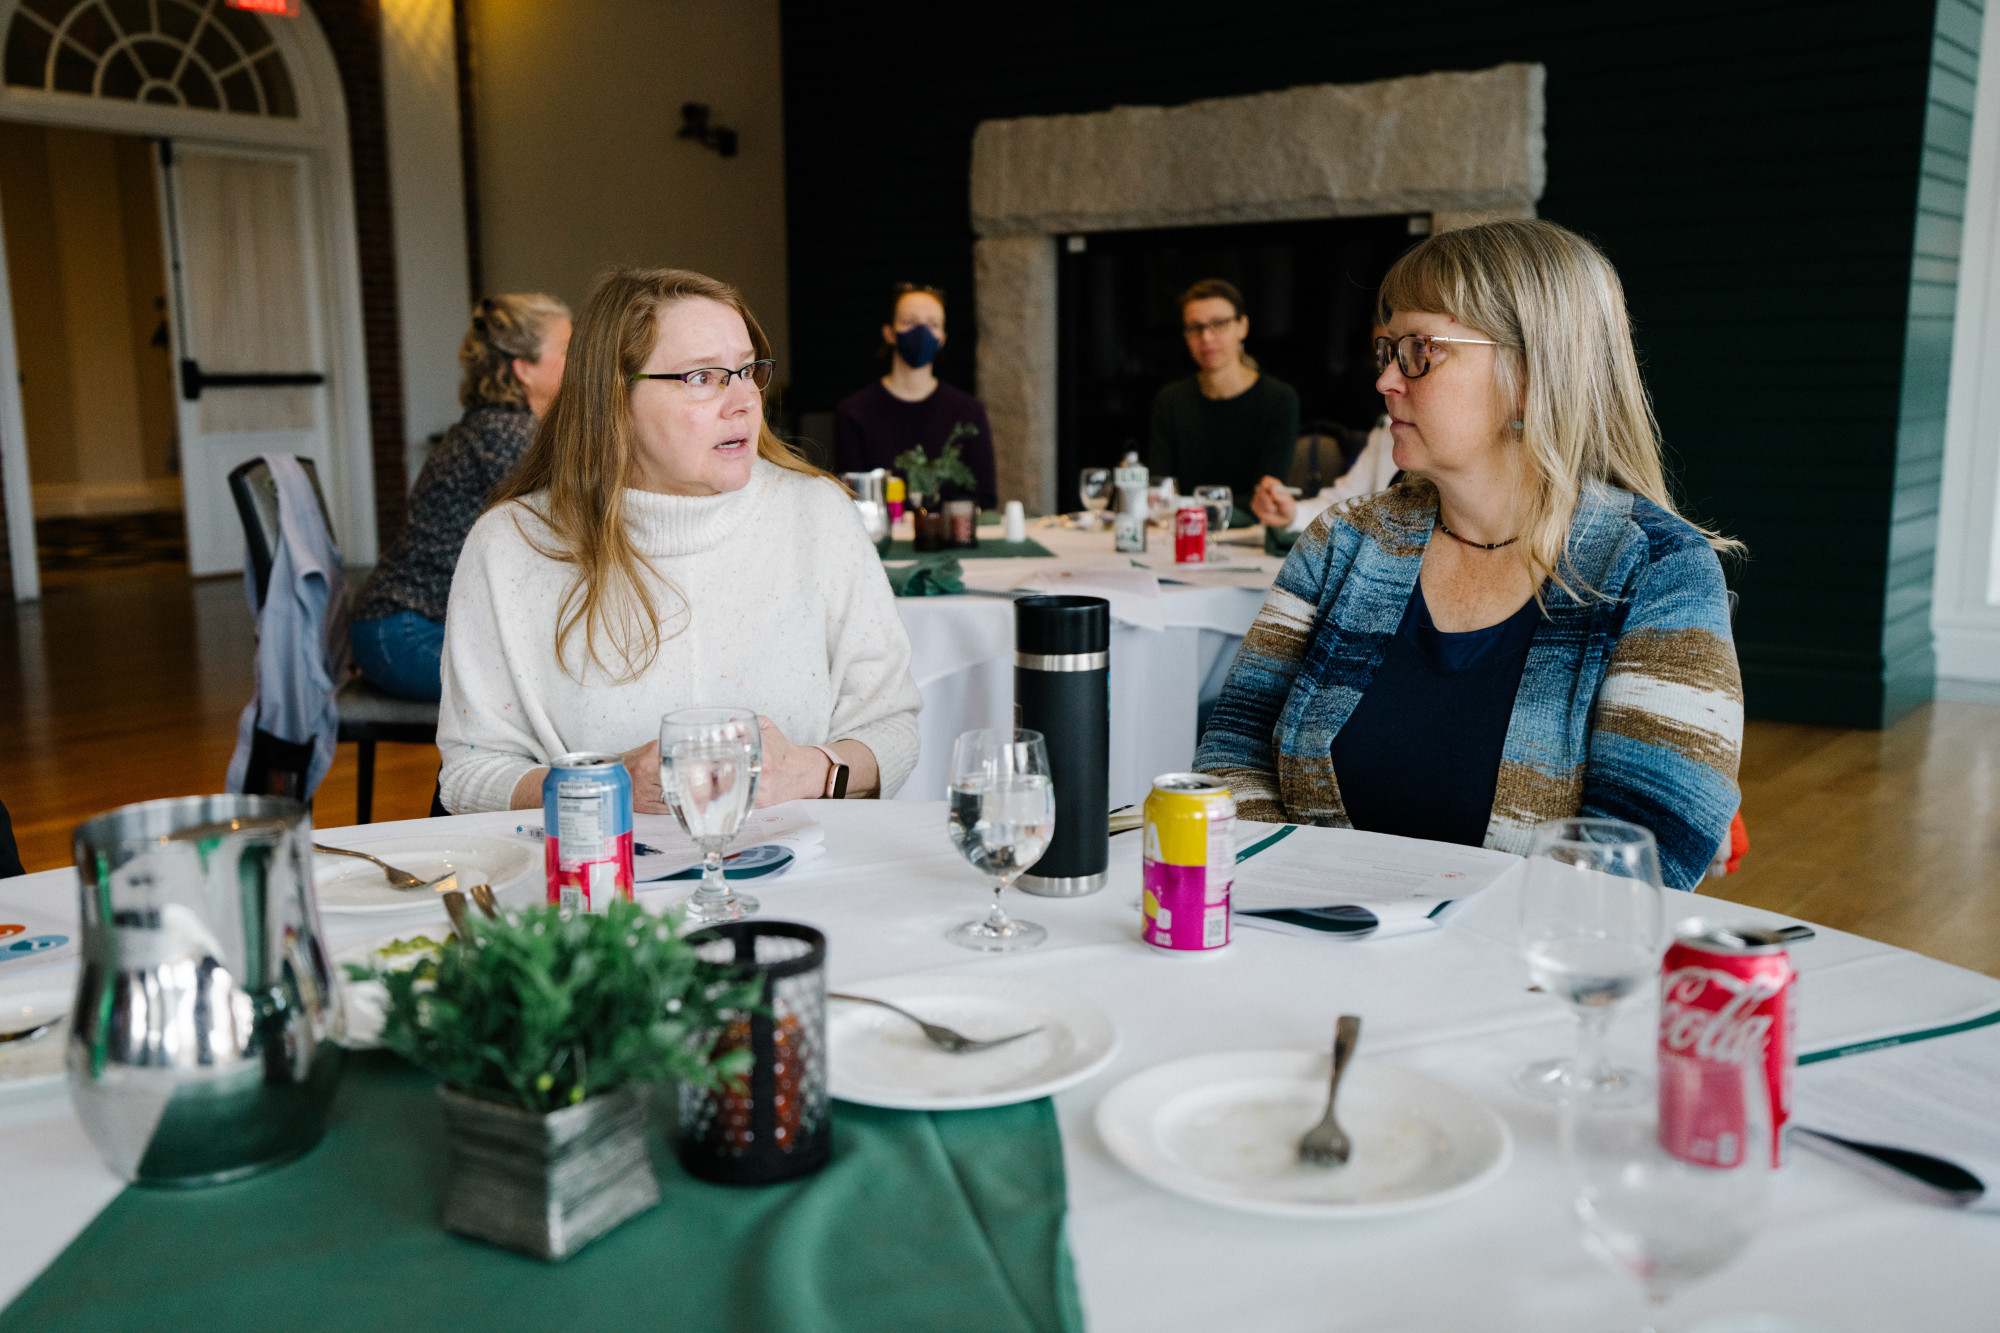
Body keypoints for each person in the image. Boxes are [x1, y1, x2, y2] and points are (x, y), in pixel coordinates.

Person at [1195, 220, 1742, 891]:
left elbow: (1641, 862)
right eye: (1387, 349)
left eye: (1421, 350)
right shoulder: (1344, 540)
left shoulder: (1660, 570)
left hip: (1519, 983)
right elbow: (1230, 756)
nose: (1387, 380)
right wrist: (1317, 909)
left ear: (1529, 372)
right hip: (1310, 958)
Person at [437, 268, 921, 814]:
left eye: (746, 370)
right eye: (702, 377)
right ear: (614, 397)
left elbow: (892, 726)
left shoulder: (816, 513)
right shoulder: (512, 545)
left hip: (801, 880)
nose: (743, 400)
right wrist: (604, 787)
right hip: (603, 887)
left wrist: (811, 772)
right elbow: (469, 775)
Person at [348, 294, 571, 700]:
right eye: (568, 350)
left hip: (407, 625)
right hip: (405, 633)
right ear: (524, 369)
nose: (581, 362)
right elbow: (569, 530)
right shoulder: (505, 434)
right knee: (543, 692)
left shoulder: (506, 427)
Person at [832, 283, 998, 509]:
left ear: (942, 338)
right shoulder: (854, 412)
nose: (922, 332)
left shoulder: (969, 411)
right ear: (889, 333)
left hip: (951, 542)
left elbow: (985, 500)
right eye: (910, 322)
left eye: (933, 325)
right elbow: (850, 500)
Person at [1148, 279, 1300, 521]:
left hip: (1248, 536)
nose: (1206, 337)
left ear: (1243, 327)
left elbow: (1262, 497)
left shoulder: (1279, 399)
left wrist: (1187, 506)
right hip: (1181, 532)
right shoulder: (1170, 400)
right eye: (1195, 327)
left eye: (1219, 324)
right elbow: (1158, 489)